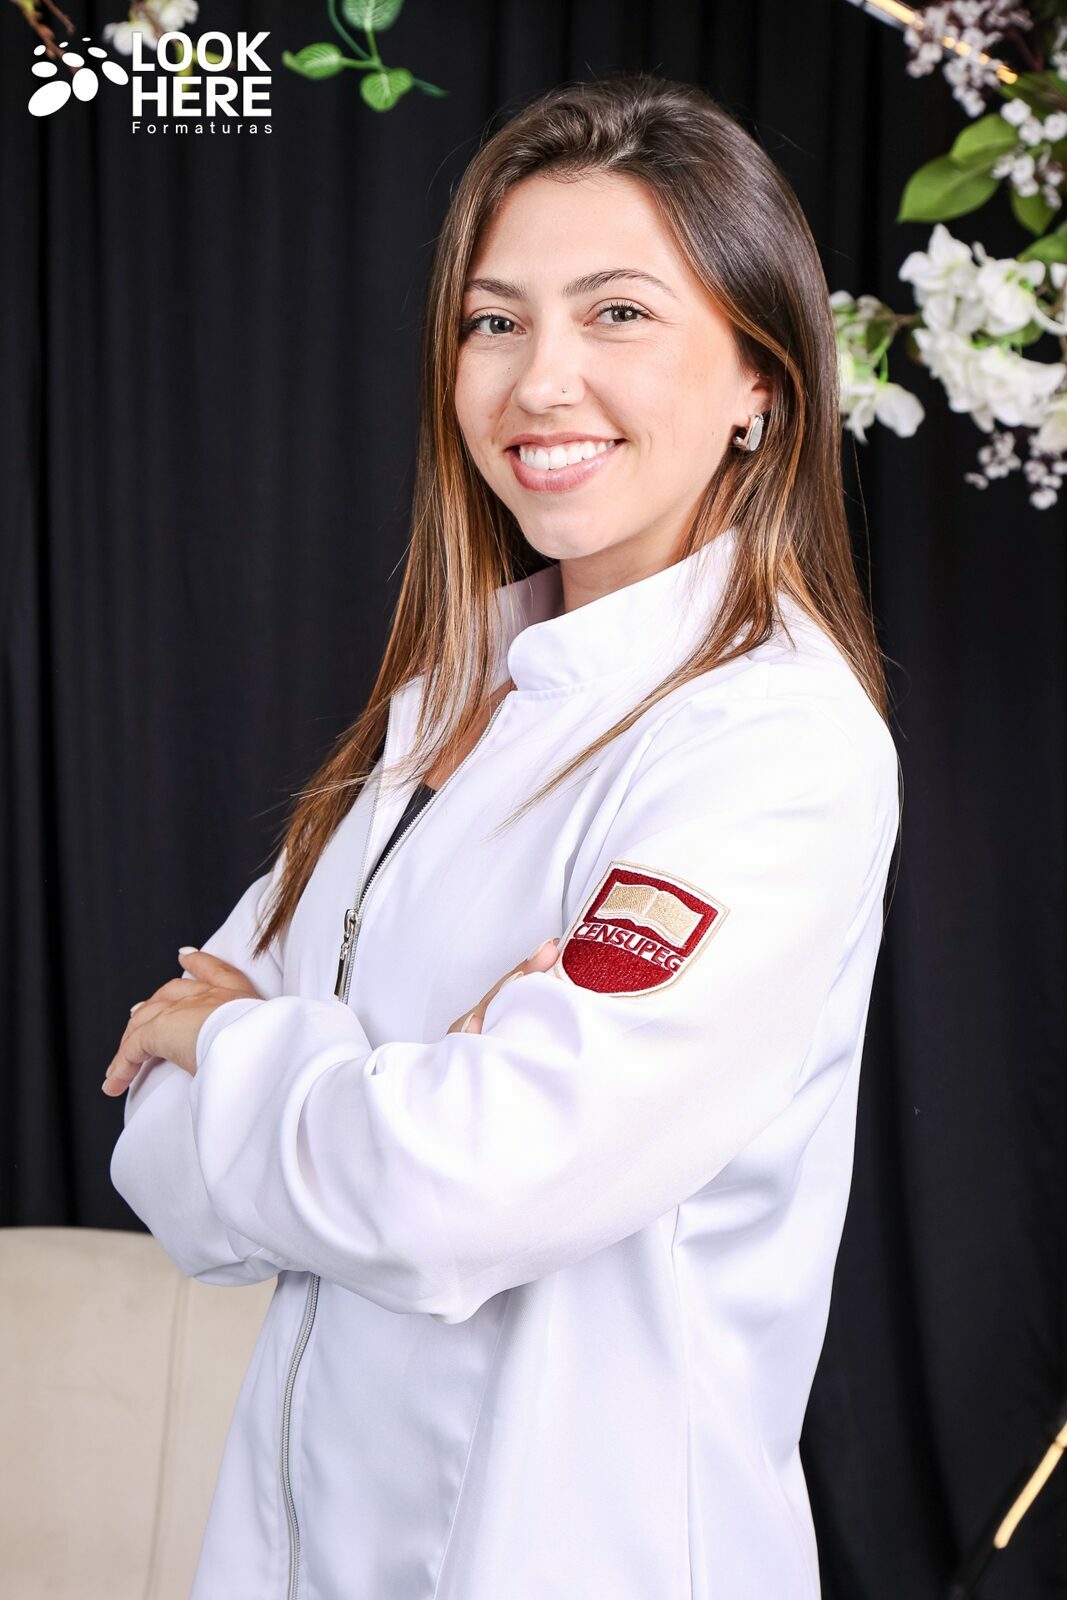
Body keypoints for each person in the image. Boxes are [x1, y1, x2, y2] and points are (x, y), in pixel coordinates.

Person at [103, 73, 902, 1600]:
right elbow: (162, 1161)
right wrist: (386, 1091)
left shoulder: (771, 741)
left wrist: (242, 1044)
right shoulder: (442, 713)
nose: (542, 382)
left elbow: (464, 1187)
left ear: (761, 381)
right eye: (494, 321)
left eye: (618, 314)